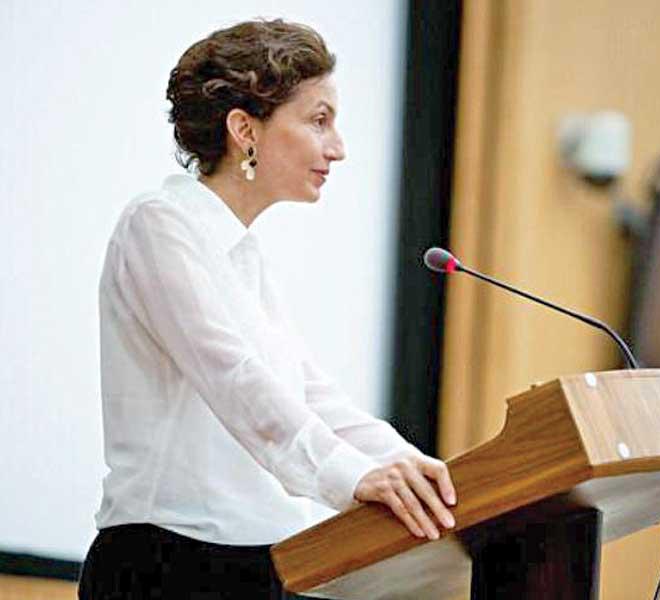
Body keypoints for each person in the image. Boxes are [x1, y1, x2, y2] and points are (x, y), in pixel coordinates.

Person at [78, 18, 456, 600]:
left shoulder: (247, 258)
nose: (338, 148)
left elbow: (314, 398)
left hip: (263, 565)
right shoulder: (157, 226)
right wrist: (356, 475)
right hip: (167, 564)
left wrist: (425, 475)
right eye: (319, 120)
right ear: (243, 129)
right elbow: (238, 382)